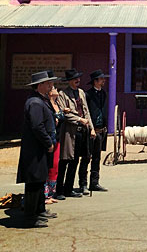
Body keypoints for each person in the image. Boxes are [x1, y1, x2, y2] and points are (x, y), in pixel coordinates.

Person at [16, 70, 58, 228]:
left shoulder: (41, 100)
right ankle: (30, 217)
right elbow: (37, 126)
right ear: (40, 85)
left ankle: (39, 210)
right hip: (35, 150)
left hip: (40, 150)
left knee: (40, 180)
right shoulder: (34, 102)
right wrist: (48, 143)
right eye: (48, 83)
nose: (51, 85)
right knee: (34, 183)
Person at [56, 68, 95, 199]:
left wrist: (91, 127)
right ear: (69, 81)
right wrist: (79, 119)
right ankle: (59, 190)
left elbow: (86, 111)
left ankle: (69, 188)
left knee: (75, 161)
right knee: (65, 160)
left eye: (78, 78)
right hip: (69, 132)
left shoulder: (81, 93)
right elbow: (64, 114)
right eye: (75, 79)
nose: (78, 80)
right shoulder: (63, 94)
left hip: (82, 131)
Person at [78, 69, 110, 193]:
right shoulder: (88, 95)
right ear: (95, 81)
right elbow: (86, 112)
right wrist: (90, 128)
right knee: (86, 157)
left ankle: (94, 182)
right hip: (91, 130)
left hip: (101, 130)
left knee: (97, 157)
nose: (103, 81)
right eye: (101, 79)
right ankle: (83, 184)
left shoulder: (103, 93)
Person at [45, 84, 64, 204]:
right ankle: (45, 194)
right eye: (54, 89)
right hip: (49, 139)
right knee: (47, 166)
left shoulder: (57, 105)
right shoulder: (47, 105)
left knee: (55, 166)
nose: (57, 90)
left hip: (57, 138)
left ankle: (52, 192)